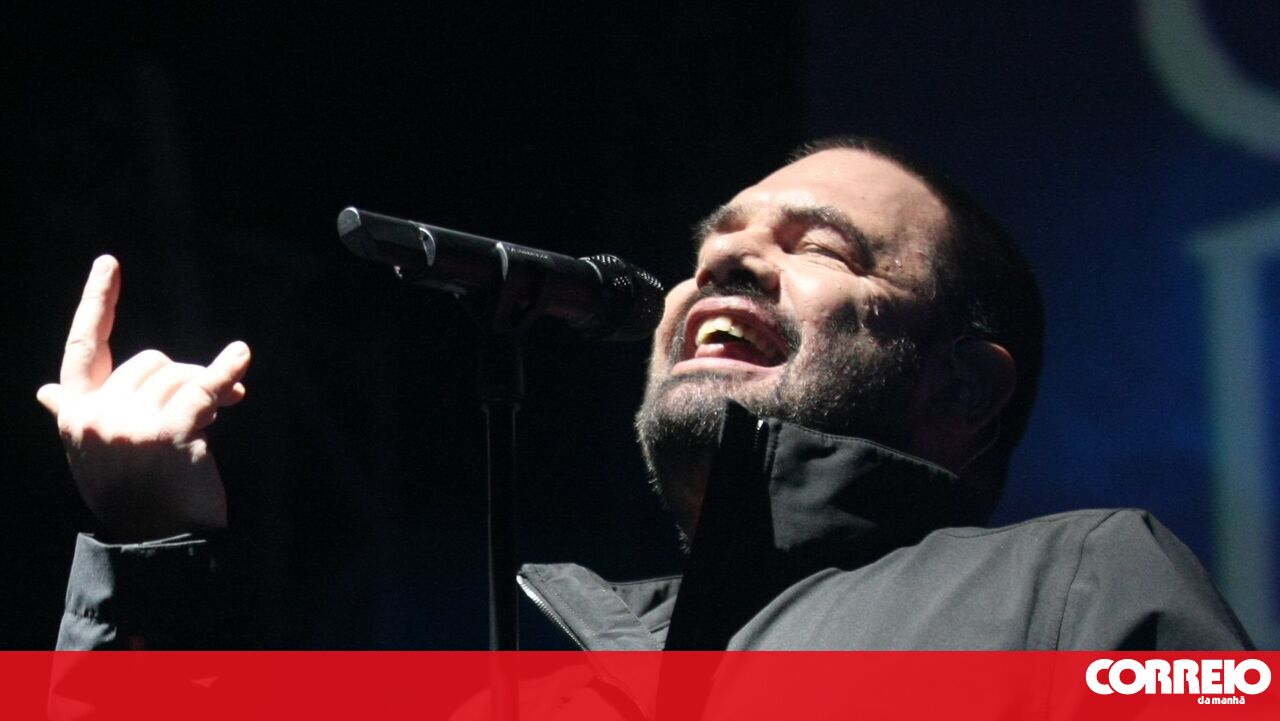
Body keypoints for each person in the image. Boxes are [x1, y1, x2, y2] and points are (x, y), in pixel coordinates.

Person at [40, 137, 1253, 653]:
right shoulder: (561, 675)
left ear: (958, 386)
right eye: (715, 244)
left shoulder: (1081, 581)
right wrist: (148, 548)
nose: (727, 263)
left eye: (817, 247)